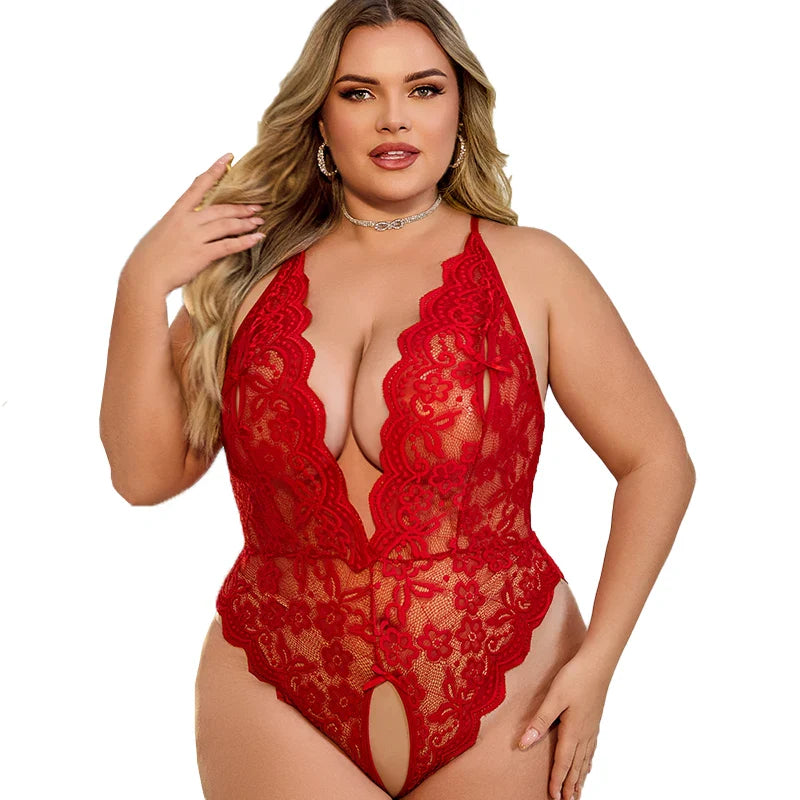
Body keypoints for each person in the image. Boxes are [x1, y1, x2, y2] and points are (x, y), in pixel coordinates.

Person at [99, 2, 696, 798]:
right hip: (276, 682)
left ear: (461, 106)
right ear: (320, 116)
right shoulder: (245, 278)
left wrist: (599, 665)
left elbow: (657, 461)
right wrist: (141, 283)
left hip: (505, 677)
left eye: (423, 89)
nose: (393, 118)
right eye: (358, 92)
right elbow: (144, 477)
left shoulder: (534, 268)